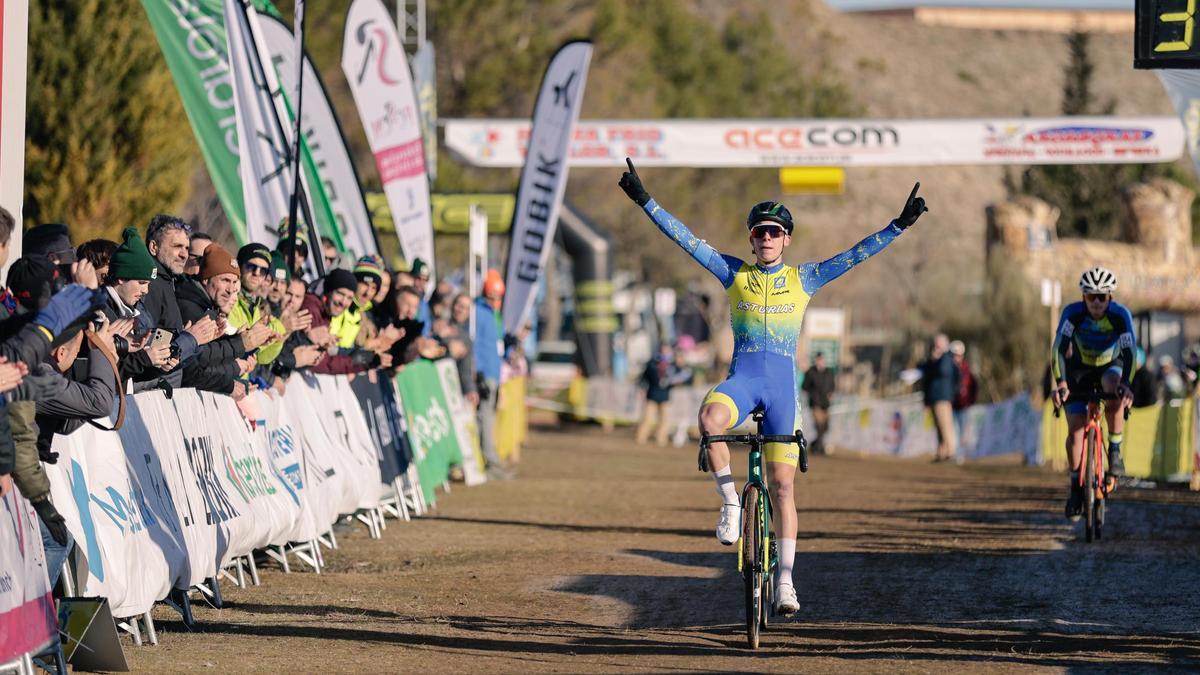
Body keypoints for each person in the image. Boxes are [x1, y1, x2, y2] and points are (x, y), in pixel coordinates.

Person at [619, 158, 926, 616]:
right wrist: (646, 201)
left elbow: (856, 254)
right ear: (751, 237)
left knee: (783, 487)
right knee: (709, 419)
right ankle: (730, 504)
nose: (767, 238)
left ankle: (785, 581)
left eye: (775, 232)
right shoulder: (734, 274)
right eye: (760, 231)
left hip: (783, 391)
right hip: (743, 381)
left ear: (787, 238)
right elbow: (683, 239)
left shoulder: (805, 279)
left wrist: (897, 226)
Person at [1050, 266, 1136, 521]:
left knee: (1115, 388)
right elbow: (1057, 350)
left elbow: (1130, 352)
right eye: (1091, 297)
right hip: (1079, 369)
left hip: (1110, 365)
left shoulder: (1120, 316)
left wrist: (1128, 385)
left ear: (1110, 297)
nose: (1097, 303)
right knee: (1076, 432)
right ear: (1083, 297)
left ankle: (1115, 450)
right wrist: (1061, 383)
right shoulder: (1072, 313)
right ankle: (1076, 485)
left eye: (1102, 297)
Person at [921, 334, 959, 463]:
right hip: (935, 397)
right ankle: (941, 453)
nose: (935, 347)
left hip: (942, 398)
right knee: (939, 427)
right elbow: (926, 373)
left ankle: (950, 453)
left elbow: (943, 372)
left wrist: (937, 359)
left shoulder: (946, 359)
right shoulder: (935, 360)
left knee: (946, 426)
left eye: (938, 344)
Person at [635, 342, 680, 447]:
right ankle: (641, 438)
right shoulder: (652, 362)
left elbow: (677, 376)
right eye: (664, 350)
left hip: (665, 396)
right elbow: (645, 377)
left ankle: (661, 439)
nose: (665, 352)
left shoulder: (672, 364)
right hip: (652, 394)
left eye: (667, 350)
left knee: (665, 420)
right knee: (647, 418)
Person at [802, 352, 835, 456]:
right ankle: (819, 448)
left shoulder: (829, 372)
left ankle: (815, 444)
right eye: (818, 360)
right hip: (816, 404)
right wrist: (813, 394)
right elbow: (804, 386)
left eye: (821, 360)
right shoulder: (811, 372)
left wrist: (830, 393)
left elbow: (832, 386)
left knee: (825, 427)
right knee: (819, 426)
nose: (820, 362)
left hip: (826, 404)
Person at [950, 340, 977, 450]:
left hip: (963, 406)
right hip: (951, 405)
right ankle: (951, 453)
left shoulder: (966, 369)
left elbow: (974, 386)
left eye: (959, 355)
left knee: (962, 432)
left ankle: (959, 454)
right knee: (952, 431)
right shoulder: (948, 369)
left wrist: (971, 400)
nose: (957, 357)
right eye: (954, 355)